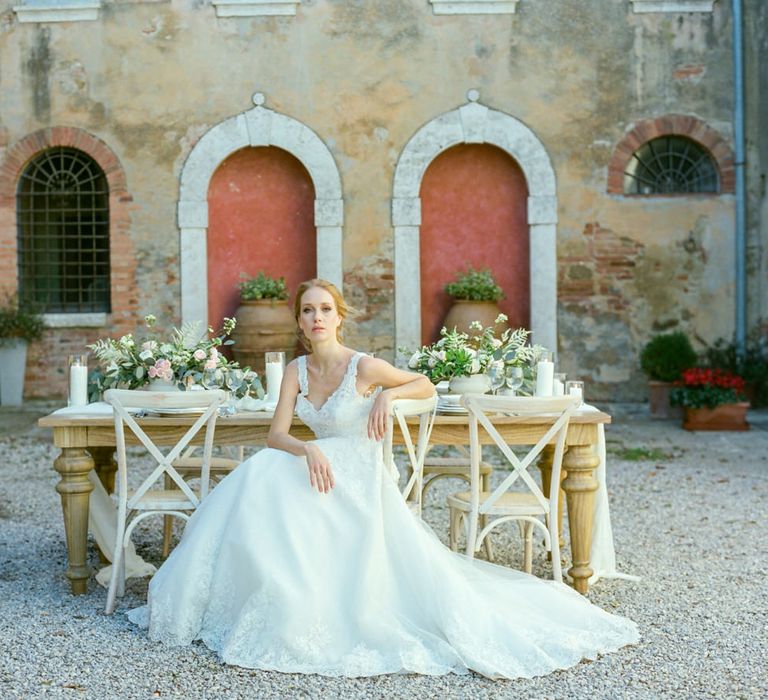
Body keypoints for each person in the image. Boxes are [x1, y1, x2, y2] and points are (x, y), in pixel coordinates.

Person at [128, 278, 638, 678]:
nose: (317, 317)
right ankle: (252, 595)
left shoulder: (364, 366)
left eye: (325, 308)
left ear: (339, 316)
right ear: (300, 322)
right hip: (320, 459)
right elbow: (275, 435)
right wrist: (306, 449)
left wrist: (390, 397)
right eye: (308, 310)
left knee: (278, 488)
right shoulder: (296, 371)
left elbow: (427, 386)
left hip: (360, 467)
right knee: (260, 477)